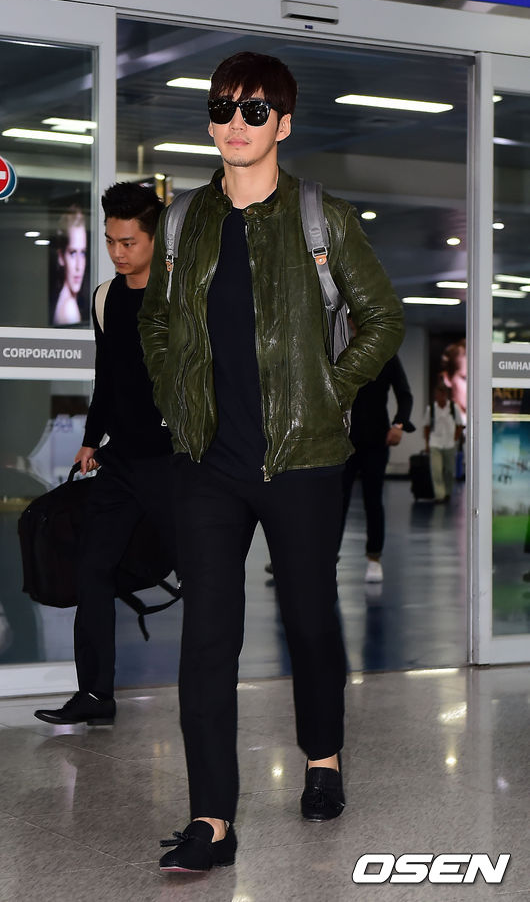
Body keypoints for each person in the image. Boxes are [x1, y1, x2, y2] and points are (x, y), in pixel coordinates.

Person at [138, 51, 404, 874]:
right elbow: (156, 322)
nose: (235, 123)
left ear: (283, 124)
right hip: (208, 464)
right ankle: (212, 819)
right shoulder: (184, 222)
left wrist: (330, 389)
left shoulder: (323, 218)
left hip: (304, 457)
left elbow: (383, 318)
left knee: (310, 619)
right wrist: (173, 390)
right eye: (223, 108)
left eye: (254, 110)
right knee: (207, 638)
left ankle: (322, 756)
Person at [35, 182, 177, 727]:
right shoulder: (104, 298)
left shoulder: (180, 297)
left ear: (154, 239)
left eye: (128, 242)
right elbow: (108, 376)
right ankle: (95, 695)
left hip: (174, 460)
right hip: (121, 463)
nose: (118, 252)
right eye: (111, 241)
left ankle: (213, 691)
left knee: (205, 574)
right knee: (91, 569)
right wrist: (92, 440)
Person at [341, 353, 415, 583]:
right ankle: (328, 558)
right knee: (337, 503)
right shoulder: (341, 349)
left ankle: (374, 558)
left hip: (376, 441)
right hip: (343, 441)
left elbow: (405, 394)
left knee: (373, 501)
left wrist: (399, 424)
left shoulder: (387, 355)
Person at [423, 380, 464, 503]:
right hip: (435, 443)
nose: (439, 396)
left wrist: (455, 439)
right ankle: (439, 495)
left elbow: (459, 425)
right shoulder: (431, 409)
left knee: (449, 471)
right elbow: (426, 427)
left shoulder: (453, 407)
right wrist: (427, 444)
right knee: (436, 470)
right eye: (437, 394)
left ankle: (447, 492)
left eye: (441, 394)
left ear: (445, 394)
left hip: (449, 444)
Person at [52, 206, 87, 325]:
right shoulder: (69, 309)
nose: (78, 266)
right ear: (61, 257)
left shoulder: (67, 301)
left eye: (82, 253)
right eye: (72, 253)